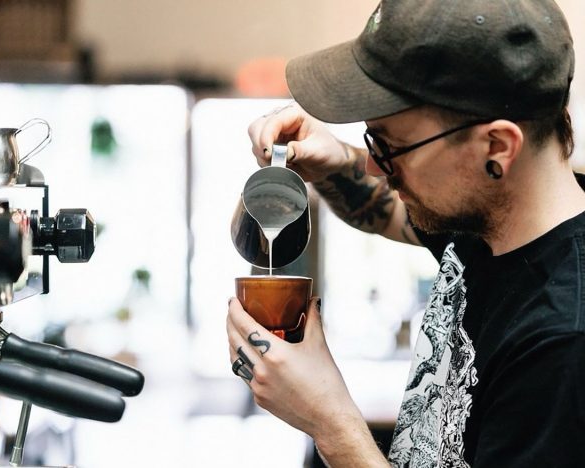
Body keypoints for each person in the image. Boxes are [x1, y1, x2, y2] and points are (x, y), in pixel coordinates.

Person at [226, 0, 585, 466]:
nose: (374, 165)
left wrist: (330, 424)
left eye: (391, 145)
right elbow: (387, 212)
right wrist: (335, 157)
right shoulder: (488, 221)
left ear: (497, 146)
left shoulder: (564, 345)